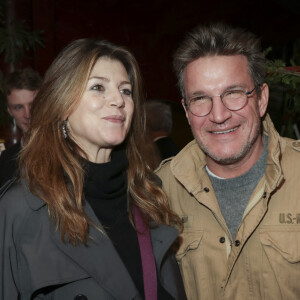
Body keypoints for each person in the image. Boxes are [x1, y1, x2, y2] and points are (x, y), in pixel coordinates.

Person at [0, 39, 186, 299]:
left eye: (126, 90)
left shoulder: (148, 195)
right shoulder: (22, 209)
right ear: (63, 104)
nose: (118, 100)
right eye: (98, 87)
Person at [156, 23, 300, 300]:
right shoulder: (159, 191)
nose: (219, 115)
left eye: (233, 93)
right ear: (186, 111)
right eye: (200, 99)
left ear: (261, 99)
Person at [0, 68, 42, 186]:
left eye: (33, 104)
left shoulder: (68, 148)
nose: (27, 114)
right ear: (9, 111)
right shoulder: (6, 159)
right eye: (18, 107)